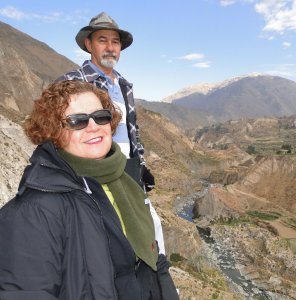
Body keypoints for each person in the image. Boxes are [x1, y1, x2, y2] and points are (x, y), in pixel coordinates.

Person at [0, 80, 179, 300]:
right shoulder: (32, 211)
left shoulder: (126, 181)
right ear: (53, 131)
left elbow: (154, 263)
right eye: (77, 121)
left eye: (100, 116)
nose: (93, 126)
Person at [57, 12, 166, 255]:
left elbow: (132, 131)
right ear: (89, 44)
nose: (110, 48)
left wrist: (141, 166)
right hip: (94, 174)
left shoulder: (124, 85)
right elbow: (60, 131)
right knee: (110, 241)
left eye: (115, 42)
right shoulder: (73, 82)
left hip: (127, 170)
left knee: (150, 231)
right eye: (102, 40)